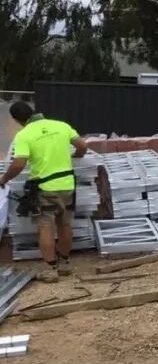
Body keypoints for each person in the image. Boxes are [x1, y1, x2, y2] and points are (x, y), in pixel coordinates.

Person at [0, 103, 88, 282]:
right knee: (64, 224)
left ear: (17, 120)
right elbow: (82, 145)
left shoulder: (24, 134)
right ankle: (65, 264)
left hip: (45, 188)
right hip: (67, 184)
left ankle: (51, 269)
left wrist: (4, 179)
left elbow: (18, 163)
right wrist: (76, 155)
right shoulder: (61, 126)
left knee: (45, 227)